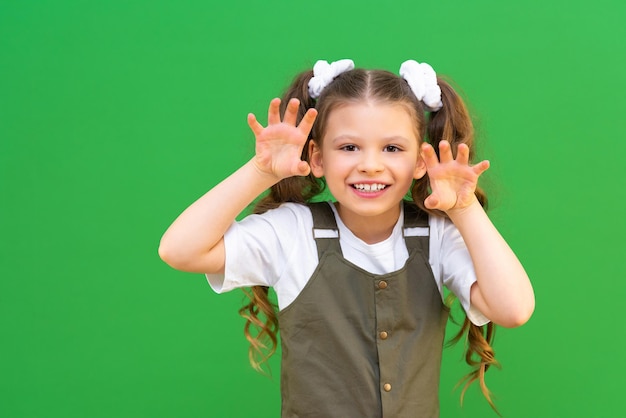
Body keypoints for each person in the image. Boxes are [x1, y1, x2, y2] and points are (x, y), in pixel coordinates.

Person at [159, 58, 535, 418]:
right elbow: (179, 250)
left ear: (421, 162)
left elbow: (514, 309)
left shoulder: (435, 235)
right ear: (317, 158)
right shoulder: (293, 232)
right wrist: (261, 171)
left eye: (392, 148)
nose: (370, 164)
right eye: (349, 147)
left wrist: (464, 209)